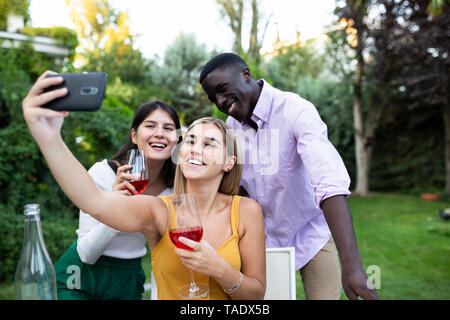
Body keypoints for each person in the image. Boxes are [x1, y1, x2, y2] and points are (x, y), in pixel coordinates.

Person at [22, 71, 266, 300]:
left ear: (229, 162)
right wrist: (49, 138)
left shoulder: (247, 211)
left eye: (209, 144)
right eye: (190, 141)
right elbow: (92, 200)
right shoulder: (158, 210)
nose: (195, 149)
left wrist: (219, 268)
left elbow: (256, 294)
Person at [199, 53, 379, 300]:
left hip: (310, 233)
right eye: (213, 98)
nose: (219, 102)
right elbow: (231, 187)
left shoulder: (296, 110)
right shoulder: (229, 130)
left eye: (222, 89)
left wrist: (353, 266)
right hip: (258, 242)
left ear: (245, 74)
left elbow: (328, 181)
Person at [53, 99, 181, 300]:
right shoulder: (102, 173)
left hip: (128, 278)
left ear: (176, 140)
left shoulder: (174, 192)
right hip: (79, 275)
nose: (159, 133)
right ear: (134, 135)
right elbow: (86, 254)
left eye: (168, 128)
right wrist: (117, 205)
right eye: (150, 125)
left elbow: (163, 258)